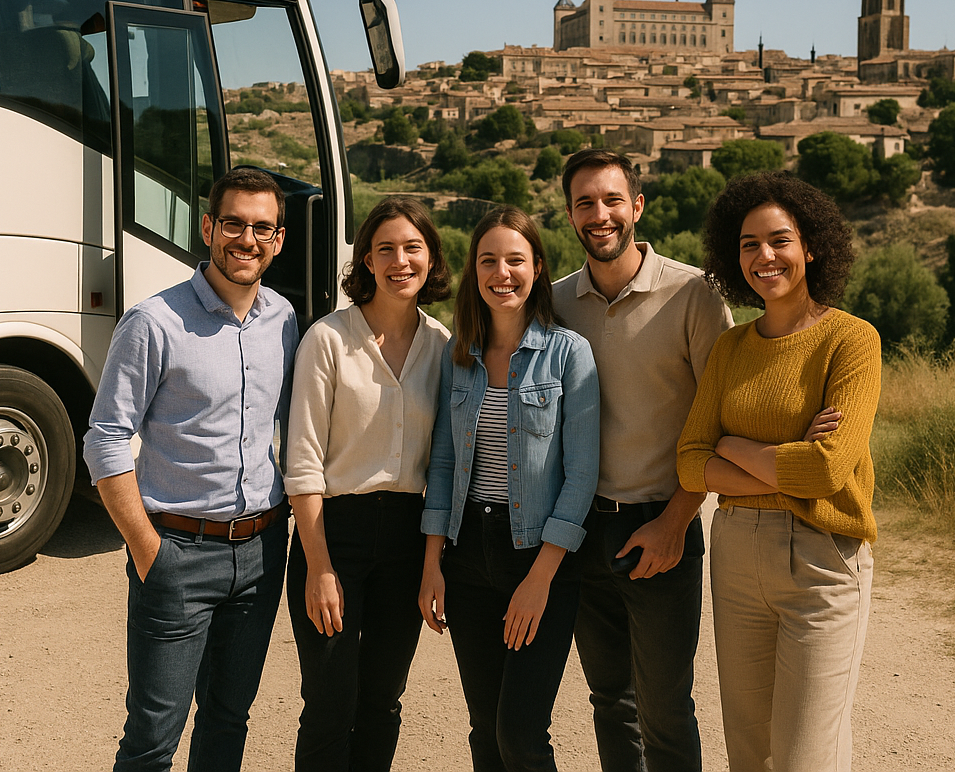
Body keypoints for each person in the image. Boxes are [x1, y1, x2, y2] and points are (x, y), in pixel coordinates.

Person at [83, 167, 299, 772]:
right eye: (233, 223)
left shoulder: (283, 319)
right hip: (176, 551)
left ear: (278, 240)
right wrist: (148, 549)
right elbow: (104, 440)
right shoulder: (153, 322)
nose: (246, 240)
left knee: (229, 720)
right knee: (154, 737)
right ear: (208, 227)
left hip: (261, 554)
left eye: (262, 228)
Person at [677, 171, 880, 772]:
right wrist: (777, 458)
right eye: (748, 244)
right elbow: (690, 462)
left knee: (805, 760)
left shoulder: (850, 341)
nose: (764, 256)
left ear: (810, 246)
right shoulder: (731, 348)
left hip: (821, 561)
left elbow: (827, 470)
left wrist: (731, 445)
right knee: (749, 755)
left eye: (779, 240)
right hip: (737, 556)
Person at [552, 149, 733, 772]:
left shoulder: (694, 295)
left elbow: (720, 423)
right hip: (578, 531)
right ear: (570, 214)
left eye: (610, 201)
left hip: (661, 524)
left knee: (665, 708)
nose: (598, 215)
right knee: (609, 701)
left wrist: (676, 523)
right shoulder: (554, 304)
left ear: (637, 206)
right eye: (584, 203)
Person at [420, 206, 600, 772]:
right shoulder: (460, 357)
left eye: (515, 260)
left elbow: (582, 474)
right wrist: (433, 565)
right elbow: (445, 465)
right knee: (484, 731)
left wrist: (540, 579)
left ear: (538, 267)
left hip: (540, 558)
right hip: (467, 553)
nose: (503, 272)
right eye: (489, 260)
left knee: (520, 735)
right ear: (475, 271)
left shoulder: (570, 353)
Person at [283, 196, 451, 772]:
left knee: (383, 700)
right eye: (386, 250)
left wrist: (432, 564)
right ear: (366, 261)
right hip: (335, 535)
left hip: (408, 536)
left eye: (412, 248)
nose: (400, 261)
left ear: (430, 258)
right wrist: (319, 567)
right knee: (329, 704)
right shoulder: (327, 339)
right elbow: (302, 460)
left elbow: (446, 466)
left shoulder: (444, 346)